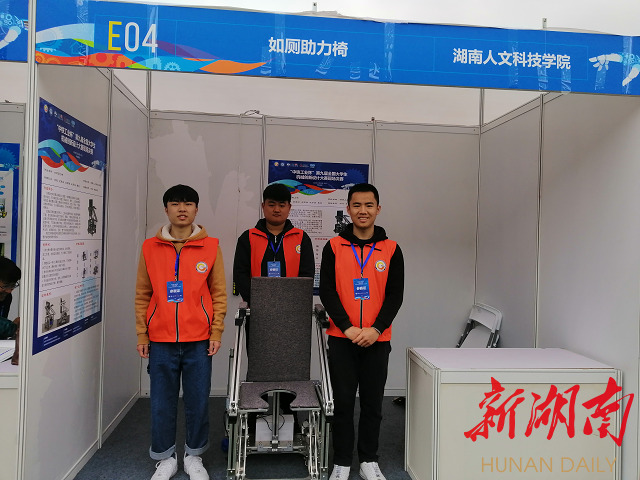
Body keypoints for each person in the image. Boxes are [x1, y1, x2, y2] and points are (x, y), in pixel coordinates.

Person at [135, 184, 227, 480]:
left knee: (198, 401)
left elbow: (218, 293)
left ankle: (194, 455)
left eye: (188, 203)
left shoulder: (210, 246)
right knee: (161, 402)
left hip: (199, 339)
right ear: (166, 209)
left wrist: (216, 331)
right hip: (160, 339)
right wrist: (142, 333)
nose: (182, 209)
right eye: (175, 203)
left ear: (196, 209)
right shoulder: (150, 247)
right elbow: (143, 293)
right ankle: (165, 457)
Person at [319, 183, 404, 480]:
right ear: (348, 209)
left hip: (377, 339)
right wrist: (348, 327)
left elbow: (395, 295)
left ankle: (369, 459)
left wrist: (376, 329)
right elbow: (328, 291)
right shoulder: (334, 247)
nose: (363, 211)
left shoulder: (391, 249)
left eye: (369, 205)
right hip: (342, 338)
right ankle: (342, 461)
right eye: (357, 205)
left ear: (378, 209)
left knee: (372, 403)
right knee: (342, 402)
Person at [232, 182, 315, 344]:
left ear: (289, 207)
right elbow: (240, 274)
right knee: (259, 356)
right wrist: (258, 303)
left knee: (292, 355)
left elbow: (307, 275)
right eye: (271, 204)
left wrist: (291, 303)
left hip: (292, 313)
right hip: (257, 313)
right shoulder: (248, 238)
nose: (277, 209)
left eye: (282, 205)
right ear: (263, 206)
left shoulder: (301, 238)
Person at [0, 256, 20, 340]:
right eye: (5, 286)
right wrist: (13, 327)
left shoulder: (7, 297)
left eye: (13, 285)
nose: (9, 291)